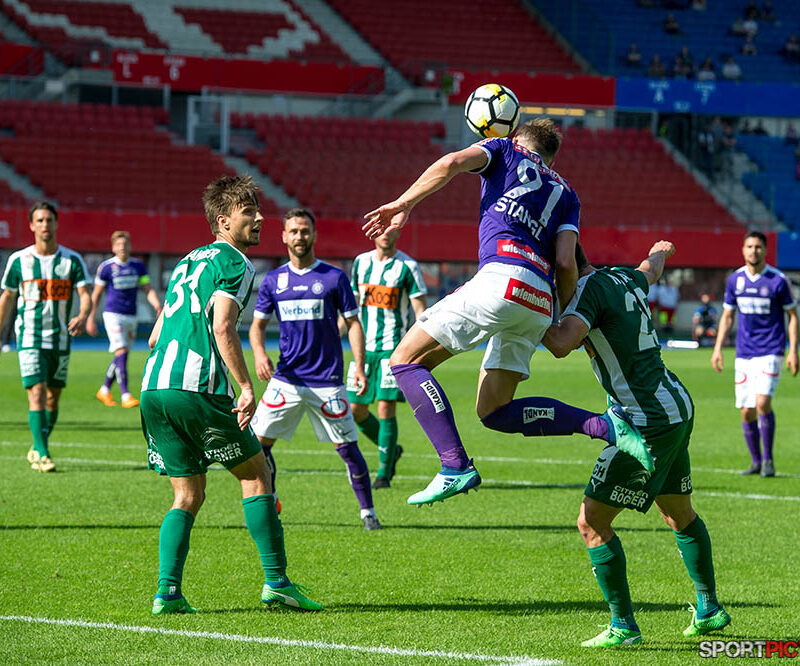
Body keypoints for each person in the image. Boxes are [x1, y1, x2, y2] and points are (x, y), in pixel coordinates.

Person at [363, 118, 649, 506]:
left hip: (501, 278)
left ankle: (454, 465)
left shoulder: (502, 150)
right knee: (494, 410)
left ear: (514, 136)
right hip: (540, 300)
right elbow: (567, 262)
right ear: (552, 155)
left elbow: (449, 164)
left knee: (404, 362)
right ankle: (606, 426)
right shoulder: (567, 193)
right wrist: (560, 318)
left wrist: (403, 203)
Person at [140, 176, 322, 614]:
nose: (260, 218)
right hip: (196, 387)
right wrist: (244, 387)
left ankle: (168, 593)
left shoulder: (186, 263)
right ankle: (277, 582)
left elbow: (154, 336)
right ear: (224, 221)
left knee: (187, 495)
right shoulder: (236, 262)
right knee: (257, 476)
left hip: (154, 388)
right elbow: (223, 325)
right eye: (249, 212)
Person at [543, 241, 731, 648]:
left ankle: (623, 626)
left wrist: (516, 312)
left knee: (591, 522)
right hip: (676, 406)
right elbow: (651, 270)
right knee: (679, 512)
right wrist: (659, 250)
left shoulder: (587, 292)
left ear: (566, 271)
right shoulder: (622, 276)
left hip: (646, 420)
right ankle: (709, 608)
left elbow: (561, 343)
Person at [248, 208, 382, 530]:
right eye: (293, 231)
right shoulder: (273, 281)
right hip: (287, 380)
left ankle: (368, 513)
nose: (299, 237)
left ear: (314, 235)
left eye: (304, 231)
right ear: (283, 236)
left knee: (348, 449)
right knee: (257, 445)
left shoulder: (334, 277)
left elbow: (353, 324)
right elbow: (257, 326)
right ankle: (272, 500)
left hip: (327, 382)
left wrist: (359, 367)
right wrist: (259, 354)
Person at [0, 201, 91, 473]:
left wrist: (84, 314)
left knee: (53, 397)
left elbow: (85, 294)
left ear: (56, 224)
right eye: (39, 220)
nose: (44, 225)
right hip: (29, 337)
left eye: (48, 220)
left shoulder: (71, 260)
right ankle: (42, 451)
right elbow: (7, 297)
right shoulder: (19, 261)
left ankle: (38, 445)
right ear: (31, 225)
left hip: (61, 339)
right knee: (37, 392)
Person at [711, 231, 798, 477]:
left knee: (762, 403)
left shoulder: (778, 280)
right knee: (746, 410)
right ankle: (756, 461)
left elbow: (792, 316)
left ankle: (769, 460)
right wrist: (718, 347)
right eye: (749, 246)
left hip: (771, 350)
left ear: (765, 250)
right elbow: (728, 316)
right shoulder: (734, 280)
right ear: (743, 250)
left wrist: (793, 351)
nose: (753, 251)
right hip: (744, 354)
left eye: (758, 247)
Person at [347, 228, 427, 488]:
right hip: (363, 348)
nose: (385, 235)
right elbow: (351, 308)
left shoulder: (408, 266)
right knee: (355, 411)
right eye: (381, 231)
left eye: (390, 231)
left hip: (393, 349)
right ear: (373, 234)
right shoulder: (361, 263)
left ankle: (383, 473)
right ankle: (392, 450)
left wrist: (420, 346)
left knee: (384, 407)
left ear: (397, 234)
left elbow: (420, 311)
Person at [86, 230, 161, 408]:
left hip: (131, 315)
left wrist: (157, 305)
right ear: (113, 247)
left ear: (130, 246)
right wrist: (90, 317)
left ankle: (104, 390)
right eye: (118, 244)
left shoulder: (138, 266)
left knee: (122, 353)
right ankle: (125, 395)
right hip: (113, 314)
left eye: (125, 244)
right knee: (121, 352)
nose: (122, 247)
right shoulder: (106, 267)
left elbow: (147, 288)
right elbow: (96, 294)